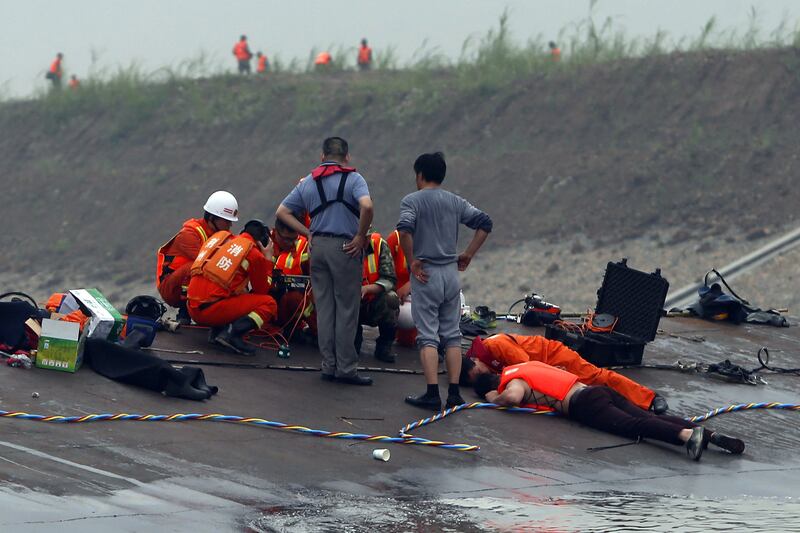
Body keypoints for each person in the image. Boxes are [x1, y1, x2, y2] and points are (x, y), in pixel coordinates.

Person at [474, 361, 745, 461]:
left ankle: (687, 436)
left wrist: (494, 399)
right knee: (649, 417)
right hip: (596, 389)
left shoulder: (512, 380)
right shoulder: (526, 365)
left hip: (585, 405)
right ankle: (710, 435)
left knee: (633, 427)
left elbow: (512, 397)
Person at [398, 152, 492, 411]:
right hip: (451, 274)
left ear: (419, 175)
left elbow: (404, 230)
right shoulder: (455, 201)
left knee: (427, 336)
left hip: (426, 274)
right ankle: (453, 393)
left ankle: (431, 394)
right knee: (452, 335)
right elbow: (485, 223)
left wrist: (412, 259)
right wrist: (468, 254)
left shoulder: (412, 201)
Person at [276, 137, 374, 385]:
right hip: (345, 248)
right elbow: (367, 206)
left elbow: (282, 212)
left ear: (322, 156)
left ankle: (328, 366)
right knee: (347, 309)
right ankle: (346, 369)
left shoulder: (309, 182)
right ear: (347, 157)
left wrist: (308, 233)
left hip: (317, 247)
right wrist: (361, 236)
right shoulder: (354, 179)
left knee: (325, 308)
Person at [460, 334, 669, 413]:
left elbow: (527, 366)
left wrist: (554, 374)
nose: (481, 377)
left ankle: (649, 398)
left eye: (478, 373)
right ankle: (622, 404)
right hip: (543, 367)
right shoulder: (485, 360)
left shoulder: (496, 345)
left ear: (475, 360)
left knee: (596, 377)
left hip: (554, 357)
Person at [187, 219, 277, 355]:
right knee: (269, 303)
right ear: (262, 242)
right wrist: (268, 262)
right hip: (210, 312)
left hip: (191, 307)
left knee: (232, 291)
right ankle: (233, 336)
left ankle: (218, 332)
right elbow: (262, 290)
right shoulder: (254, 254)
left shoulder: (222, 239)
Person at [156, 191, 239, 324]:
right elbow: (207, 263)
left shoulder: (222, 234)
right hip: (172, 288)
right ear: (212, 218)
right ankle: (185, 312)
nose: (230, 225)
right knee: (198, 266)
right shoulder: (189, 234)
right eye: (227, 221)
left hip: (189, 283)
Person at [356, 232, 399, 363]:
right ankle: (353, 342)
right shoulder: (342, 246)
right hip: (350, 301)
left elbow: (389, 278)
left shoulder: (380, 245)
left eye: (366, 237)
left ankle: (384, 345)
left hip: (374, 299)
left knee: (391, 299)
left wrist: (368, 289)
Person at [270, 217, 316, 338]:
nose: (290, 243)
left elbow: (315, 279)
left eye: (293, 239)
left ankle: (318, 333)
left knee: (296, 298)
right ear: (276, 232)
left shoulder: (304, 247)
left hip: (290, 302)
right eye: (286, 239)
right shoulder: (265, 242)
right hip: (268, 295)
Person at [386, 229, 416, 347]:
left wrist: (411, 285)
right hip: (399, 297)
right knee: (405, 339)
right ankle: (386, 340)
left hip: (422, 294)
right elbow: (384, 272)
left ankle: (437, 344)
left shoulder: (431, 239)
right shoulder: (395, 239)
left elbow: (435, 272)